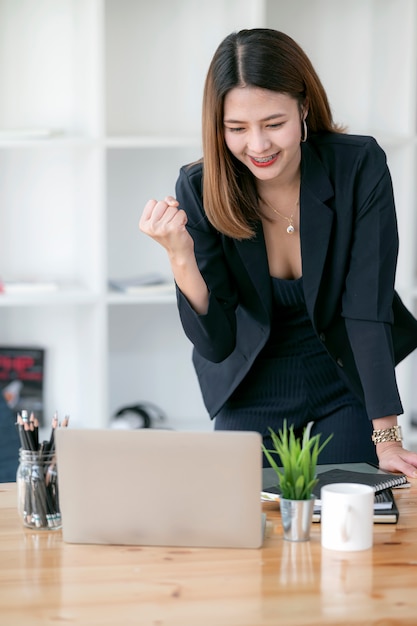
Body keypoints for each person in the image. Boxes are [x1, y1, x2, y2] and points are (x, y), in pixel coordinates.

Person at [139, 28, 417, 477]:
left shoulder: (358, 165)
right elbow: (216, 341)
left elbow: (367, 305)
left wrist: (386, 436)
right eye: (236, 128)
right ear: (218, 127)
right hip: (252, 380)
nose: (258, 145)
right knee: (238, 519)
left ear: (303, 107)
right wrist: (179, 257)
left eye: (273, 123)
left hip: (344, 374)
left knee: (349, 513)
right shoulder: (199, 187)